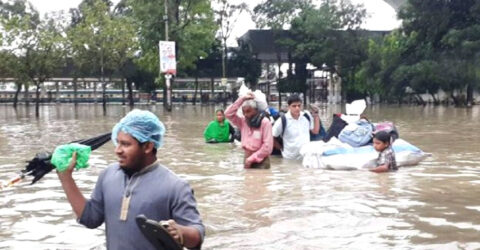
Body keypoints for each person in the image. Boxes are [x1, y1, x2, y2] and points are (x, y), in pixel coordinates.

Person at [57, 109, 205, 249]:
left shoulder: (175, 186)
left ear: (147, 146)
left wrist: (180, 233)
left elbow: (197, 234)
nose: (118, 150)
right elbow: (90, 218)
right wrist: (66, 177)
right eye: (118, 142)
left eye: (126, 144)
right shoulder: (107, 175)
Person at [225, 92, 273, 169]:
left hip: (261, 160)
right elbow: (228, 114)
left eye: (248, 111)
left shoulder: (265, 122)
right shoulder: (243, 121)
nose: (246, 115)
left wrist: (252, 159)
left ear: (256, 110)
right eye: (244, 112)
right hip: (247, 157)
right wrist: (242, 99)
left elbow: (267, 147)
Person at [272, 95, 321, 160]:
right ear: (289, 107)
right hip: (289, 158)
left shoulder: (306, 117)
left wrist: (316, 115)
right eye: (294, 106)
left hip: (306, 157)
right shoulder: (282, 120)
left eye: (299, 105)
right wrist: (280, 148)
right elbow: (271, 137)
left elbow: (315, 131)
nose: (297, 108)